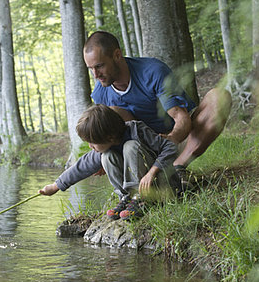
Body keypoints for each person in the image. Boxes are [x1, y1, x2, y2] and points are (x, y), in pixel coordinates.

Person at [83, 31, 232, 179]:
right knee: (111, 113)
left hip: (175, 140)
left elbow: (182, 119)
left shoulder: (153, 71)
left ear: (117, 55)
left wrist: (171, 141)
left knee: (219, 97)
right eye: (91, 69)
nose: (96, 75)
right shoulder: (99, 94)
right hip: (140, 150)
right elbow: (105, 135)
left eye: (100, 66)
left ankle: (178, 169)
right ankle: (143, 181)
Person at [39, 104, 179, 220]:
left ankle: (141, 200)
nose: (90, 147)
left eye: (92, 143)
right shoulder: (106, 146)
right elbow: (81, 167)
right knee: (106, 156)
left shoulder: (138, 131)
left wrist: (152, 172)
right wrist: (55, 186)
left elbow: (170, 148)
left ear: (110, 137)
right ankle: (127, 198)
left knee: (130, 147)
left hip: (161, 185)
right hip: (139, 189)